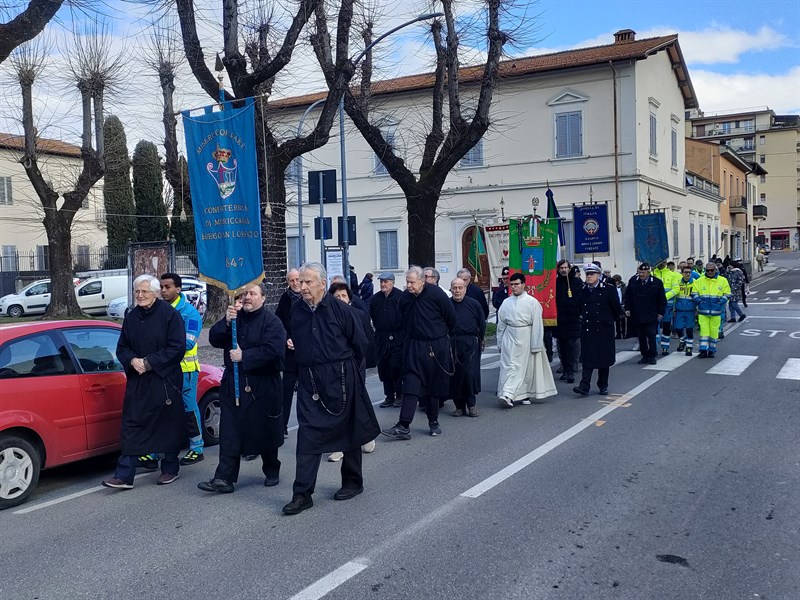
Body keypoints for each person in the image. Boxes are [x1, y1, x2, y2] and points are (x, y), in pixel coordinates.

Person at [282, 263, 380, 515]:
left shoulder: (342, 310)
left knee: (350, 429)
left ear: (322, 284)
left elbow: (360, 344)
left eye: (307, 282)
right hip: (310, 380)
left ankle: (352, 481)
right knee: (307, 436)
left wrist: (345, 370)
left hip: (342, 376)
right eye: (300, 282)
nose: (302, 287)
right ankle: (302, 493)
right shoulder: (296, 310)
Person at [198, 283, 286, 494]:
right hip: (233, 382)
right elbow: (215, 339)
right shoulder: (234, 319)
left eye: (252, 294)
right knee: (230, 430)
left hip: (262, 384)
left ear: (263, 298)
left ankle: (272, 468)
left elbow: (274, 350)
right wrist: (226, 321)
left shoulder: (272, 323)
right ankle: (224, 478)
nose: (247, 297)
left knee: (263, 429)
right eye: (244, 294)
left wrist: (245, 356)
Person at [102, 275, 186, 490]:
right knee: (131, 424)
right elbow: (122, 347)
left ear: (156, 293)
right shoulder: (131, 316)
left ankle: (169, 468)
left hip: (163, 379)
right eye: (137, 292)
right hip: (138, 379)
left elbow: (177, 348)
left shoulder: (170, 315)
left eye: (144, 292)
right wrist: (132, 361)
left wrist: (149, 363)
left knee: (166, 423)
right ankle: (124, 474)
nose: (139, 295)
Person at [382, 266, 456, 439]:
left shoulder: (437, 295)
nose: (409, 286)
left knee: (432, 386)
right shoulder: (405, 298)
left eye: (412, 282)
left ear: (423, 281)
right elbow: (402, 318)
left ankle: (433, 422)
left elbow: (451, 318)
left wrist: (439, 337)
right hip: (413, 346)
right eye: (407, 282)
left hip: (435, 346)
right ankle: (403, 426)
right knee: (410, 384)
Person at [326, 281, 377, 462]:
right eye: (337, 296)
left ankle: (367, 435)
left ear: (349, 298)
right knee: (338, 405)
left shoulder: (359, 314)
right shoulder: (327, 317)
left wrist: (359, 362)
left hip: (354, 364)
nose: (340, 299)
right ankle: (340, 445)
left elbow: (366, 341)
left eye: (343, 296)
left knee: (357, 401)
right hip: (334, 367)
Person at [159, 273, 205, 466]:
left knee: (188, 408)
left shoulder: (190, 313)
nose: (163, 290)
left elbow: (188, 343)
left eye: (167, 287)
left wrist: (159, 346)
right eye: (161, 287)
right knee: (162, 409)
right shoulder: (158, 310)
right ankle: (157, 449)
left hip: (185, 369)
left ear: (178, 289)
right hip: (163, 369)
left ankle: (197, 447)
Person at [496, 272, 557, 407]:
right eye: (512, 285)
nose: (514, 287)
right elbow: (501, 324)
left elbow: (537, 324)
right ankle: (506, 393)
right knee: (509, 367)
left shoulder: (532, 302)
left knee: (525, 368)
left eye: (517, 284)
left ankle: (518, 394)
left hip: (526, 336)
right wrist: (500, 342)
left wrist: (535, 344)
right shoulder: (506, 302)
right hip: (510, 336)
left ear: (524, 285)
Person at [573, 263, 621, 396]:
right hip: (588, 329)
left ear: (598, 275)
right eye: (587, 274)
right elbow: (578, 308)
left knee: (603, 359)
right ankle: (584, 385)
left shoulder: (608, 289)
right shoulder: (583, 290)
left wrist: (610, 322)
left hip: (604, 329)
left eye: (591, 274)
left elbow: (616, 309)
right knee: (588, 358)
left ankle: (603, 385)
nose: (589, 277)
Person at [449, 277, 485, 417]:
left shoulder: (474, 304)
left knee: (470, 375)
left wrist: (480, 339)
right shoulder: (446, 304)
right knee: (455, 375)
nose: (457, 291)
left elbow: (481, 324)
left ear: (465, 288)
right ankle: (459, 406)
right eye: (454, 288)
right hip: (452, 343)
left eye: (460, 287)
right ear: (451, 289)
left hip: (471, 343)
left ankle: (471, 404)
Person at [370, 272, 405, 408]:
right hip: (381, 337)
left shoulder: (400, 296)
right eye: (382, 282)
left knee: (396, 367)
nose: (383, 284)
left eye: (386, 282)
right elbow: (372, 314)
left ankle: (399, 395)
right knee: (384, 367)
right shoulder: (375, 299)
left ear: (393, 282)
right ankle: (389, 396)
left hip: (397, 337)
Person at [275, 269, 302, 438]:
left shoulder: (309, 296)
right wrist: (286, 338)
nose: (295, 283)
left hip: (307, 353)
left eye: (297, 279)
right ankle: (282, 426)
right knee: (286, 391)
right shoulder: (285, 299)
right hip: (290, 354)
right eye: (291, 280)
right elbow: (279, 323)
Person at [625, 262, 666, 365]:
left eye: (644, 272)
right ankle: (644, 355)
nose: (642, 274)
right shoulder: (633, 281)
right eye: (640, 272)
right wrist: (627, 308)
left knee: (651, 335)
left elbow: (661, 299)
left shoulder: (656, 282)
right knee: (641, 336)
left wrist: (661, 312)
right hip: (637, 314)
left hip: (651, 314)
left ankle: (652, 355)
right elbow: (628, 296)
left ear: (649, 272)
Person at [691, 262, 731, 359]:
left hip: (716, 312)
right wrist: (699, 301)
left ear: (715, 270)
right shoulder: (699, 281)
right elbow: (694, 293)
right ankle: (703, 350)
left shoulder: (723, 280)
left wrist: (721, 302)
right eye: (708, 270)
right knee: (704, 332)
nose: (709, 272)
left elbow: (727, 294)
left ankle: (712, 350)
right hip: (703, 312)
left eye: (711, 270)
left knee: (714, 332)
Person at [553, 259, 581, 384]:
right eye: (561, 268)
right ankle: (564, 368)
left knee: (571, 345)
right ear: (558, 270)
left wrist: (575, 307)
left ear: (569, 269)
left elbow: (581, 298)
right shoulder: (555, 282)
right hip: (560, 320)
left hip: (572, 319)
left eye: (566, 268)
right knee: (562, 346)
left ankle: (571, 371)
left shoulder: (576, 282)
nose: (564, 270)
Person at [652, 261, 680, 355]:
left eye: (663, 261)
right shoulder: (652, 273)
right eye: (659, 261)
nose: (661, 263)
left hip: (668, 305)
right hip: (654, 305)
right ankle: (654, 347)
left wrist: (664, 297)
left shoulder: (672, 275)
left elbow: (676, 289)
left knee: (666, 327)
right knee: (654, 327)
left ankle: (665, 347)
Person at [673, 265, 696, 356]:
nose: (687, 274)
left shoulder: (695, 283)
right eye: (685, 272)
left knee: (689, 329)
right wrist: (674, 308)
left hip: (690, 310)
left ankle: (689, 348)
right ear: (682, 273)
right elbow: (674, 296)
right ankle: (682, 340)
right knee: (678, 328)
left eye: (689, 272)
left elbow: (698, 296)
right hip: (679, 310)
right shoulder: (678, 283)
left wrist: (697, 309)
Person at [611, 274, 627, 339]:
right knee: (617, 320)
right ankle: (618, 334)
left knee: (623, 320)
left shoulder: (624, 287)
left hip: (622, 305)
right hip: (616, 305)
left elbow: (625, 296)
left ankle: (624, 333)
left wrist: (624, 304)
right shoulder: (613, 287)